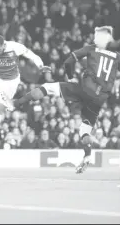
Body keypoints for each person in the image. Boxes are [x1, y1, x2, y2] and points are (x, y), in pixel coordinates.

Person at [8, 26, 120, 173]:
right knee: (84, 130)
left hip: (85, 89)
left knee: (48, 87)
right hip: (99, 99)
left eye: (96, 36)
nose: (94, 38)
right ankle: (87, 156)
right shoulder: (117, 56)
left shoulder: (92, 48)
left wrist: (71, 76)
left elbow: (68, 61)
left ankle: (16, 103)